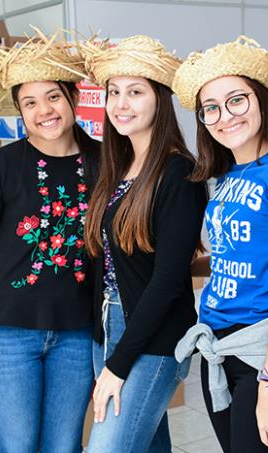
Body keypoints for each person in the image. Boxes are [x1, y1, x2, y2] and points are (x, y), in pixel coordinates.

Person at [0, 30, 100, 453]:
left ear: (71, 97)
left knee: (64, 446)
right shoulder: (1, 164)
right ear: (21, 112)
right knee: (18, 446)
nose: (44, 111)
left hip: (76, 334)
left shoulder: (104, 162)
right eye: (30, 103)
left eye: (53, 97)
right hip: (4, 335)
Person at [172, 37, 268, 453]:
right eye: (212, 109)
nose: (225, 116)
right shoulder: (226, 176)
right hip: (218, 347)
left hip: (262, 349)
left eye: (237, 100)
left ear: (261, 101)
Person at [80, 35, 207, 452]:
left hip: (153, 339)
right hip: (108, 325)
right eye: (114, 92)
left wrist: (118, 364)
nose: (121, 103)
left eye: (135, 92)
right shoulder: (117, 167)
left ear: (160, 99)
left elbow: (169, 280)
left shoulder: (178, 173)